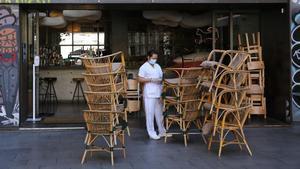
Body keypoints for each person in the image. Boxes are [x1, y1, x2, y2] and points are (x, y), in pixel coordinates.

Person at [138, 50, 169, 140]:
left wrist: (162, 92)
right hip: (149, 93)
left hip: (158, 92)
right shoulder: (144, 67)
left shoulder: (157, 66)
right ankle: (151, 132)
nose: (154, 59)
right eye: (153, 58)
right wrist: (151, 79)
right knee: (150, 114)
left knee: (160, 114)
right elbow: (139, 79)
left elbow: (161, 78)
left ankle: (162, 131)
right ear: (148, 57)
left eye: (156, 58)